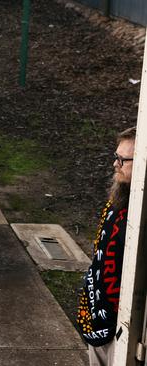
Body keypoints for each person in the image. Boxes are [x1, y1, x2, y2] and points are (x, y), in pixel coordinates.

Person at [76, 127, 136, 366]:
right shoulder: (117, 201)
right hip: (99, 309)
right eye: (116, 157)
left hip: (124, 324)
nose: (115, 164)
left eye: (123, 160)